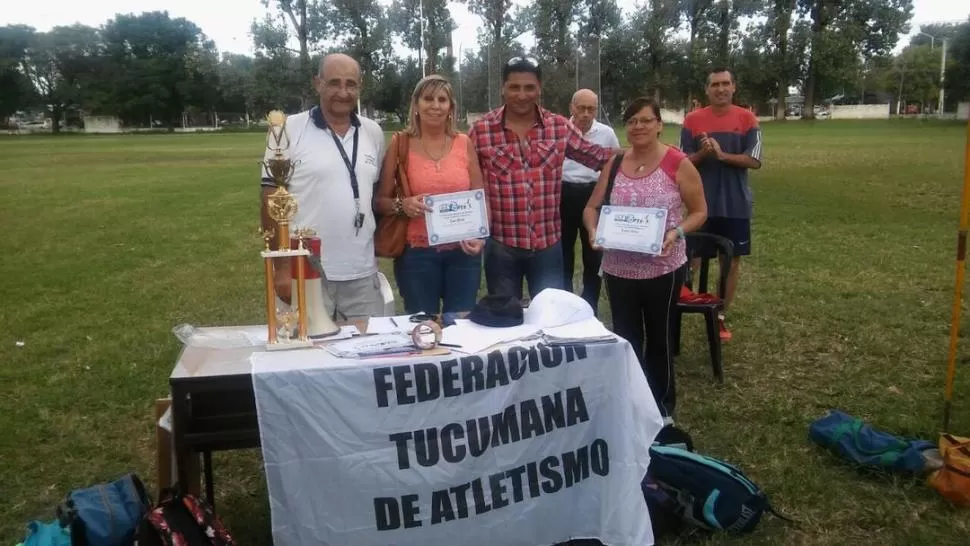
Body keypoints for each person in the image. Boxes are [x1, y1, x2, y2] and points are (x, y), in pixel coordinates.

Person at [584, 97, 707, 423]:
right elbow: (591, 207)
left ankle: (663, 408)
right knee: (626, 338)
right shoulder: (614, 163)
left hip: (662, 268)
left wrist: (676, 233)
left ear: (658, 125)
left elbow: (699, 212)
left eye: (645, 120)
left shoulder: (677, 163)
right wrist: (593, 231)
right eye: (632, 121)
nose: (638, 127)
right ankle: (632, 400)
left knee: (659, 338)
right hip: (618, 268)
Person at [468, 57, 617, 301]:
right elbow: (464, 181)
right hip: (501, 246)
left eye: (529, 87)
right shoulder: (481, 131)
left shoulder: (558, 127)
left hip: (547, 245)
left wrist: (648, 153)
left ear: (539, 89)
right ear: (503, 89)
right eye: (514, 87)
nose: (522, 94)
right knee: (505, 319)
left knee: (550, 318)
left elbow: (600, 157)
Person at [260, 53, 387, 321]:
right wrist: (281, 269)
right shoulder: (287, 130)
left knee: (368, 354)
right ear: (318, 83)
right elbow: (271, 200)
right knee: (308, 356)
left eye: (351, 84)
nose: (343, 92)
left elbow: (371, 195)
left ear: (360, 86)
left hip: (361, 272)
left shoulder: (373, 132)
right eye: (334, 83)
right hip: (304, 270)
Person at [374, 75, 486, 315]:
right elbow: (380, 202)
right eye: (428, 98)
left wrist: (480, 238)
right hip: (417, 255)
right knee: (423, 328)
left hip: (463, 254)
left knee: (462, 325)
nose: (435, 105)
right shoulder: (400, 143)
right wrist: (403, 205)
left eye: (442, 99)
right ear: (416, 105)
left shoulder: (464, 143)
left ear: (450, 107)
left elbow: (479, 198)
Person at [680, 67, 762, 341]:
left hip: (735, 204)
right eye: (715, 84)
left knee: (731, 261)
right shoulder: (692, 120)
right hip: (700, 204)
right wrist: (703, 153)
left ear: (733, 87)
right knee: (691, 259)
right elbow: (682, 162)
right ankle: (676, 306)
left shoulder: (747, 118)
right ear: (707, 89)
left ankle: (720, 316)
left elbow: (754, 160)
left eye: (726, 83)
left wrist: (723, 155)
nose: (721, 89)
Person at [560, 89, 620, 314]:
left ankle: (590, 306)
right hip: (563, 195)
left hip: (594, 195)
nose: (585, 114)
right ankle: (565, 306)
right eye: (581, 108)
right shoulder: (559, 132)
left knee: (593, 254)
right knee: (563, 253)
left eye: (591, 109)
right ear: (571, 107)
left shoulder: (606, 133)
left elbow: (613, 165)